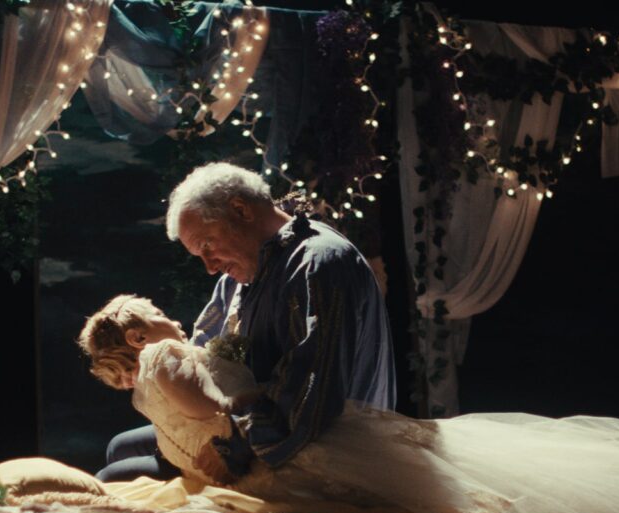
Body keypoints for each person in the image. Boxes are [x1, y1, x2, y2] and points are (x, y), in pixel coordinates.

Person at [79, 295, 619, 513]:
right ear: (139, 336)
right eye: (156, 315)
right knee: (442, 475)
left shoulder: (142, 387)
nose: (168, 317)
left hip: (246, 475)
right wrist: (250, 399)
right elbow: (216, 407)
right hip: (277, 456)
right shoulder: (169, 359)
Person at [96, 162, 396, 481]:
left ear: (241, 210)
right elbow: (217, 359)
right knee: (121, 448)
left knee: (112, 478)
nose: (209, 267)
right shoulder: (241, 275)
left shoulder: (318, 265)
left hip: (317, 449)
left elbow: (310, 397)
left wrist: (233, 443)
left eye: (207, 245)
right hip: (252, 420)